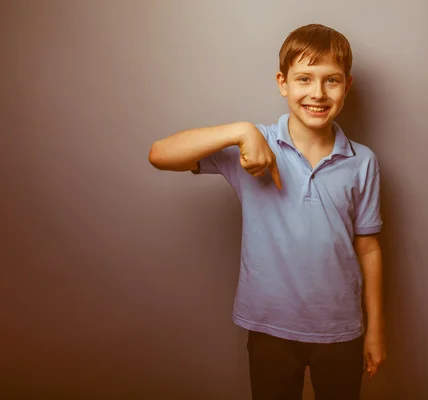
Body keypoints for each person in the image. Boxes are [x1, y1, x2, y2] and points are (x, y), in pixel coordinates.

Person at [148, 23, 386, 400]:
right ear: (283, 83)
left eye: (331, 81)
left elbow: (369, 248)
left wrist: (375, 330)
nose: (317, 93)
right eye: (304, 78)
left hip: (340, 328)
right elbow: (159, 155)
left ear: (348, 86)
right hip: (269, 327)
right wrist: (241, 130)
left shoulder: (363, 161)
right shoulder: (253, 146)